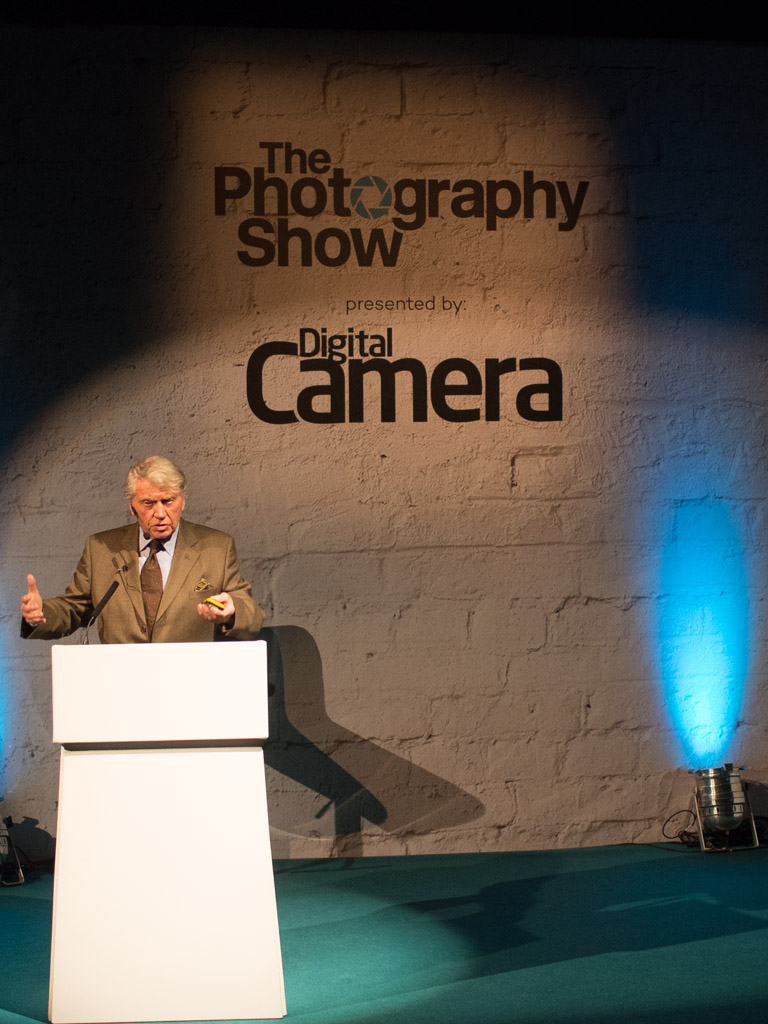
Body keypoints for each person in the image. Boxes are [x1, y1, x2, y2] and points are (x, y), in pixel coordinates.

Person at [20, 456, 264, 644]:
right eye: (148, 503)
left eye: (168, 501)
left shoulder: (216, 547)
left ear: (183, 501)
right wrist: (40, 614)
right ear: (132, 506)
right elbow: (73, 609)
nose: (159, 513)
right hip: (122, 685)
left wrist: (231, 612)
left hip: (190, 684)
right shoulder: (101, 549)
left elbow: (252, 616)